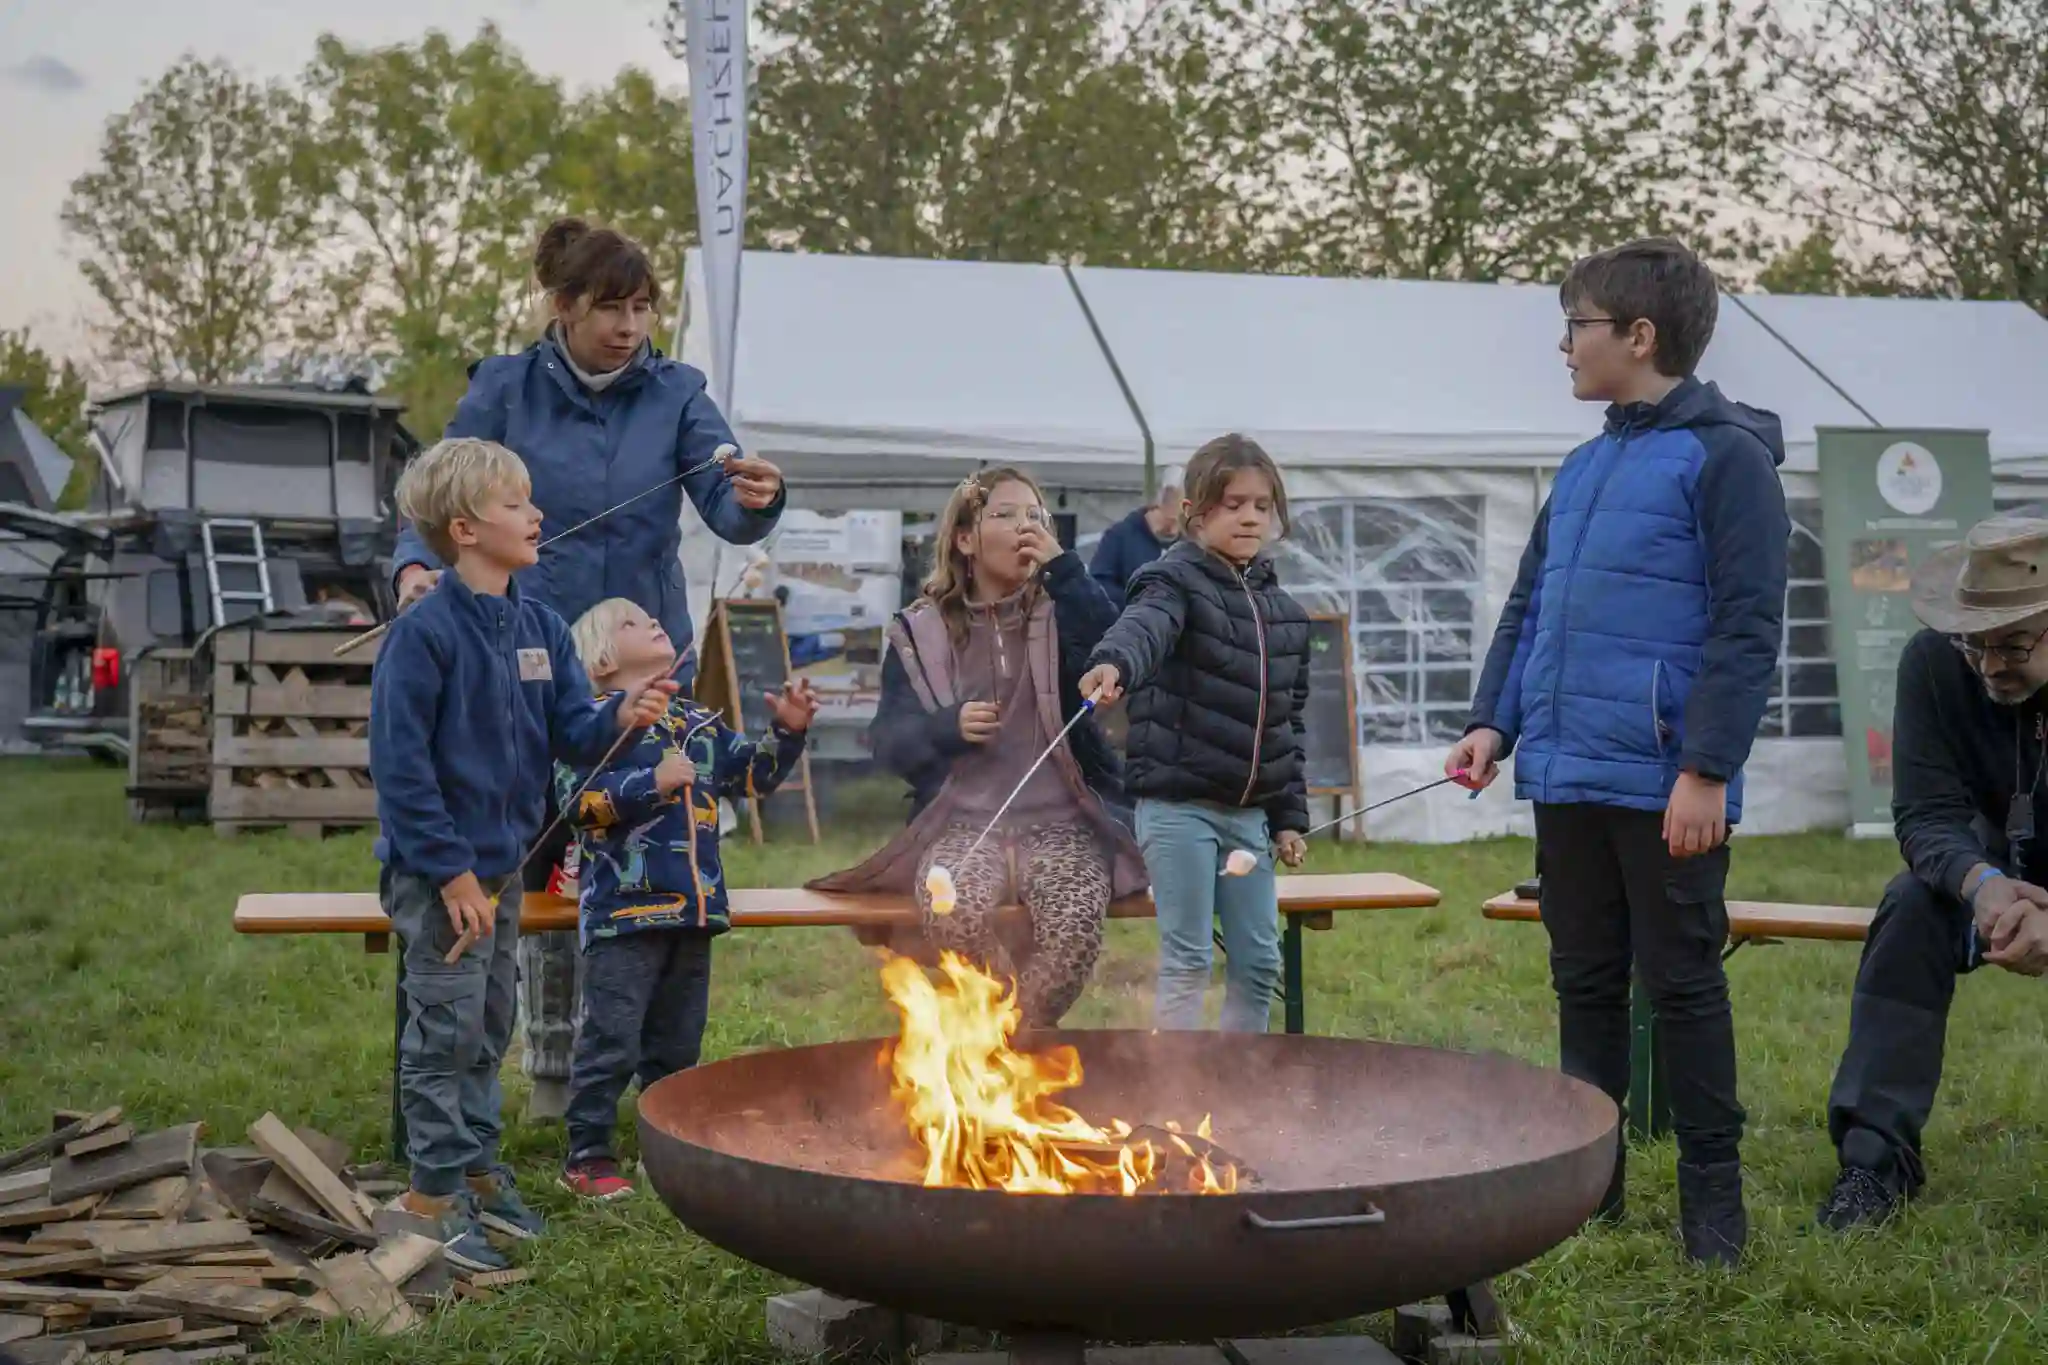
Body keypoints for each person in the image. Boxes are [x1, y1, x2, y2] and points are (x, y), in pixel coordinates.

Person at [388, 216, 788, 1122]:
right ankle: (544, 1069)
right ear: (562, 307)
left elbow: (728, 505)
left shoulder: (681, 391)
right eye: (611, 306)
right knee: (534, 860)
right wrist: (414, 568)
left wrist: (761, 498)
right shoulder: (503, 388)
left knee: (634, 863)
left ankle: (635, 1083)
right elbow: (439, 487)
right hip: (522, 658)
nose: (630, 325)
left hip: (637, 663)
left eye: (644, 307)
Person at [1445, 238, 1789, 1267]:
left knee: (1681, 985)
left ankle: (1711, 1220)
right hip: (1565, 773)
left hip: (1664, 785)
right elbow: (1528, 607)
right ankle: (1587, 1195)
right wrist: (1491, 722)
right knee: (1582, 982)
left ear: (1638, 337)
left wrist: (1705, 770)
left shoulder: (1727, 459)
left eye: (1576, 325)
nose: (1562, 346)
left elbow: (1744, 627)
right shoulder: (1585, 463)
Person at [368, 438, 676, 1269]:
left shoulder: (536, 625)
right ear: (465, 529)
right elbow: (400, 770)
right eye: (516, 504)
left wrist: (622, 716)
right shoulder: (423, 635)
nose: (537, 515)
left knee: (489, 1022)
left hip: (499, 871)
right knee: (444, 1027)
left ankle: (478, 1169)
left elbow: (571, 731)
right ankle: (433, 1193)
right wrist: (453, 873)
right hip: (442, 877)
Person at [810, 467, 1147, 1027]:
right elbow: (888, 744)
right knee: (949, 909)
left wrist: (1066, 571)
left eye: (1036, 516)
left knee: (1073, 928)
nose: (1025, 527)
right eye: (1006, 515)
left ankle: (999, 1047)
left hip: (1063, 820)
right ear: (966, 539)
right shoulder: (920, 631)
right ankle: (1005, 1041)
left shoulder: (1063, 607)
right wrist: (947, 728)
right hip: (960, 823)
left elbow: (1116, 648)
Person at [1817, 514, 2048, 1231]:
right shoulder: (1931, 662)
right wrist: (1985, 886)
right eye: (1973, 644)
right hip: (1986, 867)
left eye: (2011, 643)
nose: (1988, 665)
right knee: (1912, 906)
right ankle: (1874, 1165)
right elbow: (1923, 813)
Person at [553, 598, 818, 1200]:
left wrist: (789, 731)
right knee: (611, 1040)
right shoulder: (589, 724)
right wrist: (653, 784)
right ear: (599, 659)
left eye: (651, 617)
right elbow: (577, 808)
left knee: (677, 1045)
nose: (649, 621)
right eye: (628, 622)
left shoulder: (696, 724)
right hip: (624, 917)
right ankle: (588, 1156)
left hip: (695, 914)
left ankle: (665, 1147)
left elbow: (756, 778)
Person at [1079, 434, 1313, 1034]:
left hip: (1249, 819)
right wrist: (1115, 664)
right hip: (1178, 812)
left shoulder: (1286, 615)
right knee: (1189, 961)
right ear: (1195, 512)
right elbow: (1143, 628)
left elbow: (1287, 724)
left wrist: (1288, 816)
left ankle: (1237, 1091)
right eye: (1233, 503)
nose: (1250, 516)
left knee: (1259, 963)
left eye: (1262, 505)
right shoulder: (1170, 582)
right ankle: (1175, 1097)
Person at [1090, 475, 1182, 600]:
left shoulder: (1191, 541)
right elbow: (1099, 583)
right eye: (1170, 522)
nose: (1175, 530)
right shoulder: (1120, 536)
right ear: (1160, 505)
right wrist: (1135, 602)